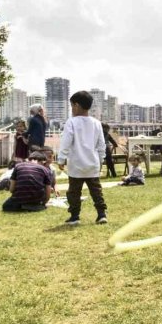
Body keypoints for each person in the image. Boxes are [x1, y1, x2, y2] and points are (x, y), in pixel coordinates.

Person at [57, 91, 107, 225]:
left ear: (76, 105)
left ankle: (75, 216)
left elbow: (66, 142)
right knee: (96, 191)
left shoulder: (71, 122)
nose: (71, 109)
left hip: (76, 165)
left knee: (74, 192)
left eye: (72, 106)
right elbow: (101, 144)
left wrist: (61, 159)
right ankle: (101, 214)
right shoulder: (96, 123)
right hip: (92, 164)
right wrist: (101, 160)